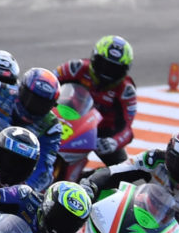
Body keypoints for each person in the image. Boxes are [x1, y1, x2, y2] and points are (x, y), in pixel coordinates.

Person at [55, 35, 138, 165]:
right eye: (103, 65)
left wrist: (113, 142)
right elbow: (48, 83)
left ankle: (92, 182)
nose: (107, 73)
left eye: (115, 69)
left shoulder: (126, 91)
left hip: (102, 133)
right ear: (94, 58)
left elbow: (127, 130)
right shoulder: (75, 68)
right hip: (68, 120)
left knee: (126, 171)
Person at [0, 67, 64, 191]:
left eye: (42, 104)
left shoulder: (51, 126)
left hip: (12, 175)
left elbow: (44, 167)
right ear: (20, 89)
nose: (33, 107)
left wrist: (21, 191)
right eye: (30, 98)